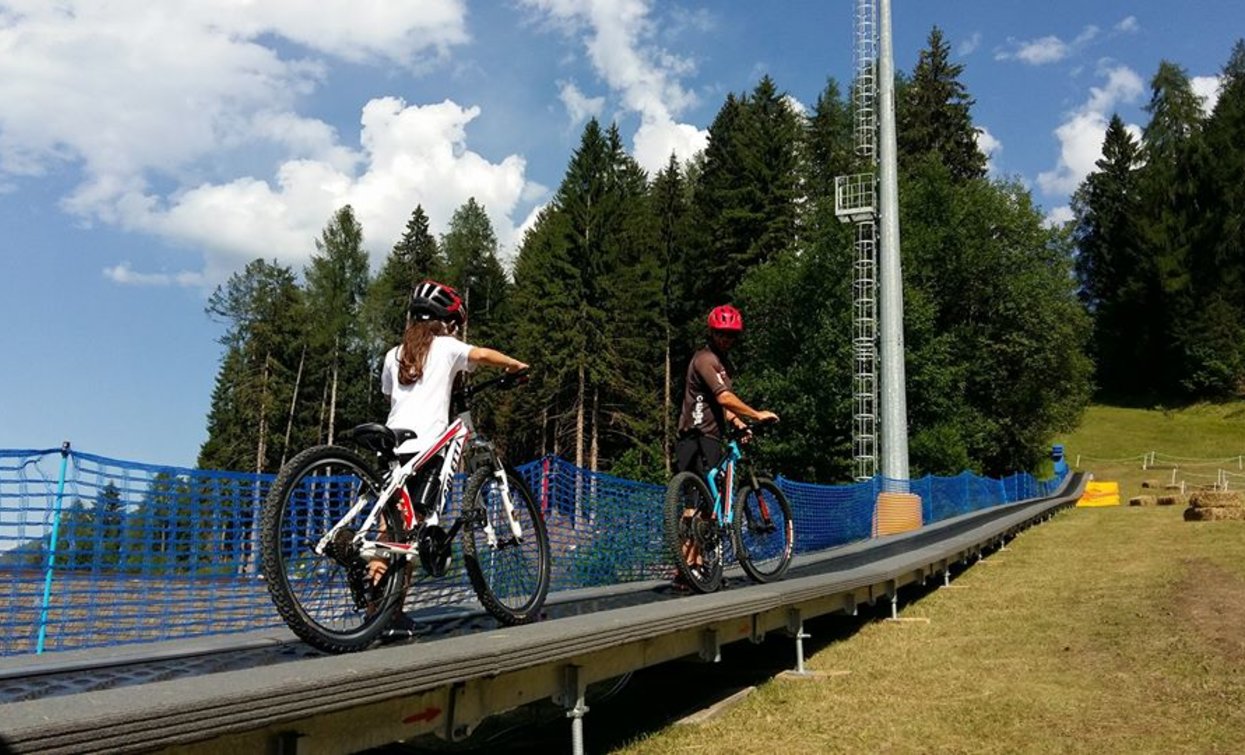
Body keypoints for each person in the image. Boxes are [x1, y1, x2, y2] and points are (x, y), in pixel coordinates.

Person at [367, 280, 528, 589]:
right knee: (413, 530)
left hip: (392, 446)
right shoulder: (446, 346)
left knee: (389, 533)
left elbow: (392, 395)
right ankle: (391, 612)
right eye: (454, 324)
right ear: (446, 322)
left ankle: (378, 613)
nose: (455, 330)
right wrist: (514, 365)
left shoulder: (393, 355)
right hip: (426, 448)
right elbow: (480, 355)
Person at [673, 304, 778, 586]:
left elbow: (720, 406)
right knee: (696, 504)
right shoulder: (706, 359)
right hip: (699, 436)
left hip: (706, 436)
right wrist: (755, 415)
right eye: (721, 334)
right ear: (711, 332)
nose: (726, 339)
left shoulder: (720, 363)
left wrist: (738, 423)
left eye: (731, 335)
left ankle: (691, 567)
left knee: (704, 504)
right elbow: (724, 398)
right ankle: (687, 567)